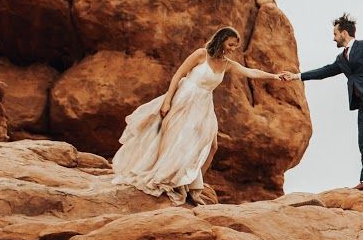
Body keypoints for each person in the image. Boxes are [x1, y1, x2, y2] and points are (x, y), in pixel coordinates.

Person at [113, 26, 289, 204]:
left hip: (204, 104)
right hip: (185, 98)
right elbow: (179, 74)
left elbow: (250, 72)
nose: (232, 49)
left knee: (212, 146)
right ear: (221, 40)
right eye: (231, 44)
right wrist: (167, 100)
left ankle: (192, 186)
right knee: (176, 139)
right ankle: (169, 178)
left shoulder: (227, 64)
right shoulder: (200, 55)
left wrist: (275, 76)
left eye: (235, 46)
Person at [284, 13, 363, 190]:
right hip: (362, 101)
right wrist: (296, 76)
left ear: (344, 33)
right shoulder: (342, 58)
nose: (333, 38)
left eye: (335, 34)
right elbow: (324, 71)